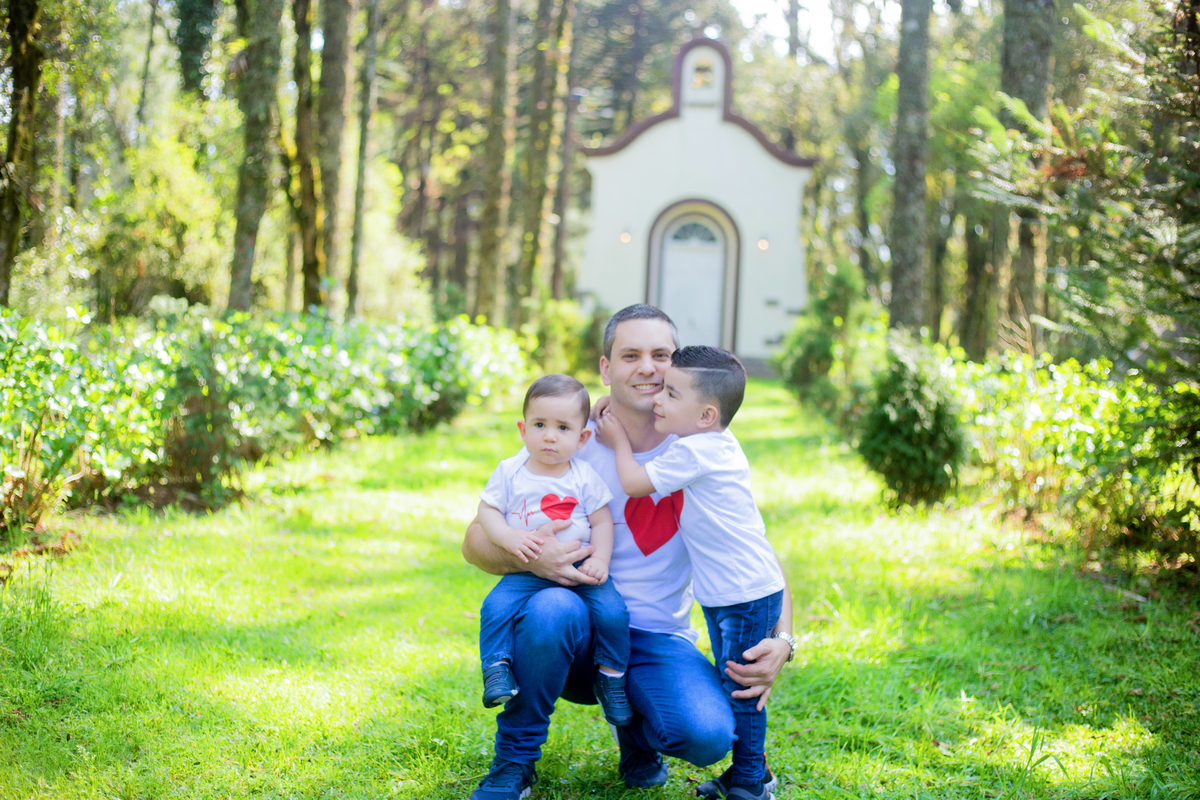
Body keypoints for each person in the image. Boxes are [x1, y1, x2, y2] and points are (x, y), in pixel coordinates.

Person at [461, 305, 795, 800]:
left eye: (661, 354)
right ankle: (513, 763)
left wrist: (784, 642)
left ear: (678, 367)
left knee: (705, 734)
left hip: (659, 637)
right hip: (576, 628)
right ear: (605, 368)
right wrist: (532, 559)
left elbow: (757, 554)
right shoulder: (570, 442)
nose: (647, 367)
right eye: (630, 354)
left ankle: (636, 737)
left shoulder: (704, 446)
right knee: (550, 608)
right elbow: (473, 541)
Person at [595, 345, 785, 800]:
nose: (658, 397)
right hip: (734, 593)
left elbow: (635, 484)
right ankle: (748, 774)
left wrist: (619, 442)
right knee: (734, 681)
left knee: (741, 688)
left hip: (743, 594)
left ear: (705, 415)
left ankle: (750, 782)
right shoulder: (712, 443)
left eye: (671, 393)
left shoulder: (696, 452)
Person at [475, 374, 632, 726]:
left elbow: (603, 522)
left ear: (582, 438)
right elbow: (487, 511)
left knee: (612, 613)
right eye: (540, 424)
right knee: (496, 605)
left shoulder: (583, 475)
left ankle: (611, 678)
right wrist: (509, 539)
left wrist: (601, 559)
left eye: (563, 428)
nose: (549, 435)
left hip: (581, 569)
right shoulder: (510, 471)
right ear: (522, 429)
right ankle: (497, 669)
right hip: (528, 569)